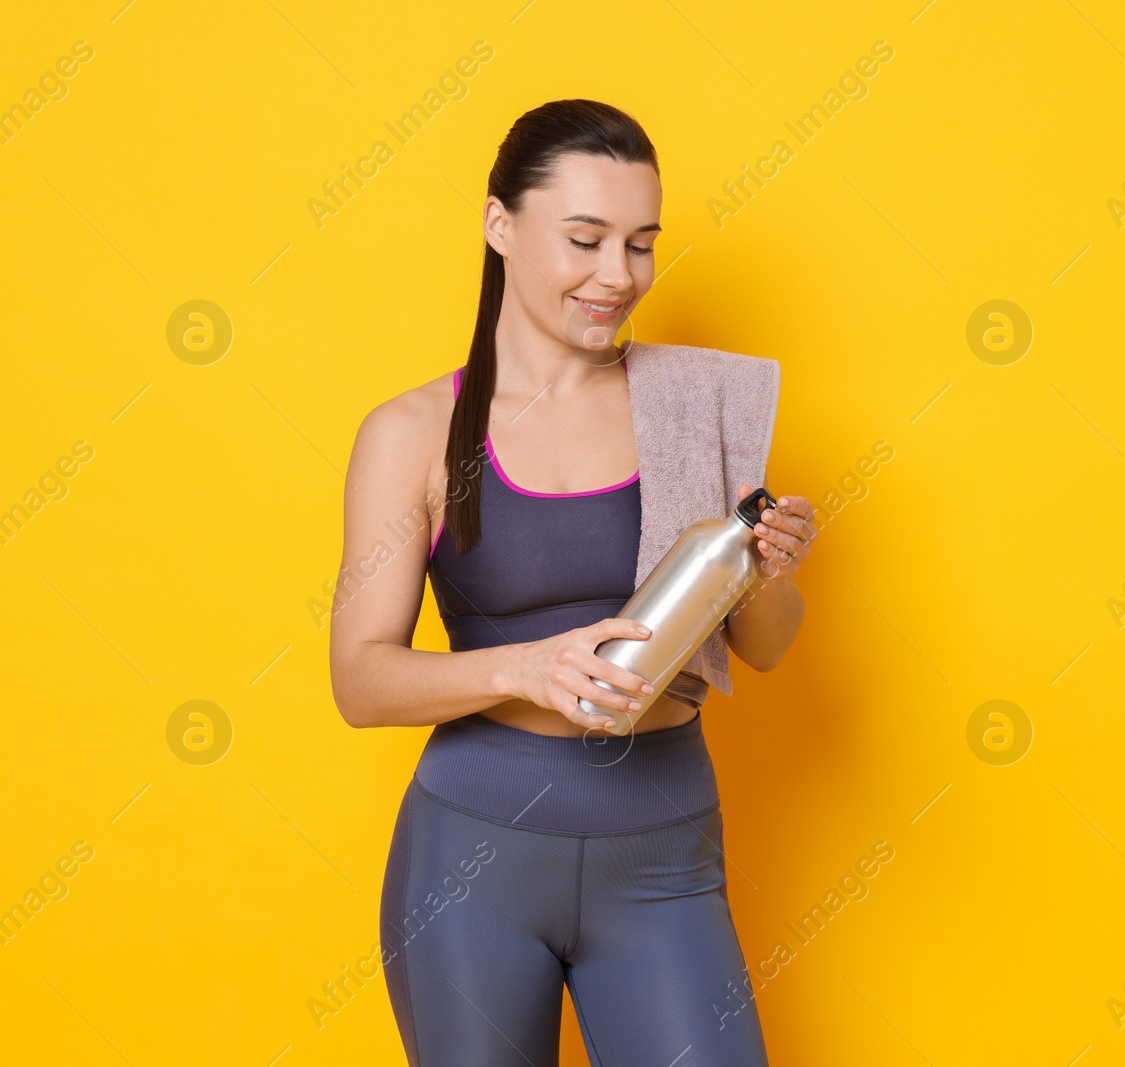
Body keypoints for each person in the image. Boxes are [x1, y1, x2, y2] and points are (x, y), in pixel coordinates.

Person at [328, 98, 814, 1067]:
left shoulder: (691, 405)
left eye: (640, 244)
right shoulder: (415, 432)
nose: (617, 276)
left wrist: (764, 571)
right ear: (500, 225)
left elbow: (762, 647)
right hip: (472, 863)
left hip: (665, 856)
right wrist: (529, 668)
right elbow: (360, 680)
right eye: (585, 239)